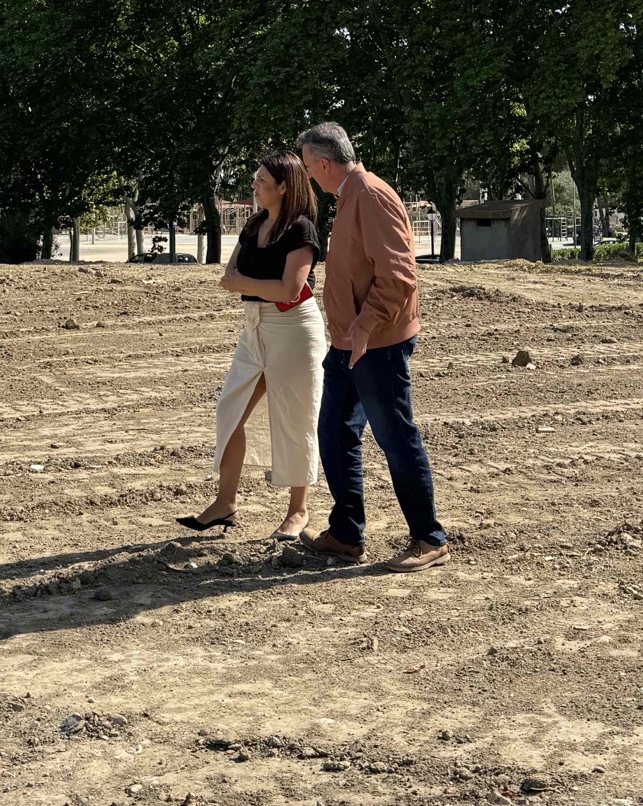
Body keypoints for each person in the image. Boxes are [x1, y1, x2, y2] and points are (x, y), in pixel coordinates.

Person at [296, 121, 450, 572]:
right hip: (349, 342)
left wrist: (364, 325)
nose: (308, 176)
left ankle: (429, 538)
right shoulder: (350, 196)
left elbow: (399, 275)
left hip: (377, 342)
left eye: (308, 168)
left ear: (325, 164)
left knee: (395, 436)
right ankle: (347, 535)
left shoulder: (371, 196)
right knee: (334, 431)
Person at [178, 149, 328, 540]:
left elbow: (289, 290)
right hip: (255, 326)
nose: (254, 185)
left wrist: (245, 284)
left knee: (295, 418)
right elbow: (228, 275)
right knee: (230, 410)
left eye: (261, 180)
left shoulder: (301, 229)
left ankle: (298, 511)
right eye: (255, 178)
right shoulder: (254, 223)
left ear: (284, 186)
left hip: (294, 329)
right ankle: (225, 503)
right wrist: (252, 285)